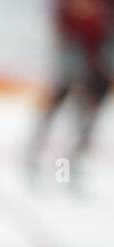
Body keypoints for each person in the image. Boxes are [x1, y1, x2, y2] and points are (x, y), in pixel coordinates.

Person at [27, 0, 113, 183]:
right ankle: (37, 156)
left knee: (86, 119)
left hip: (97, 65)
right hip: (73, 60)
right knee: (57, 112)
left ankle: (71, 162)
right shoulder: (66, 12)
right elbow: (62, 22)